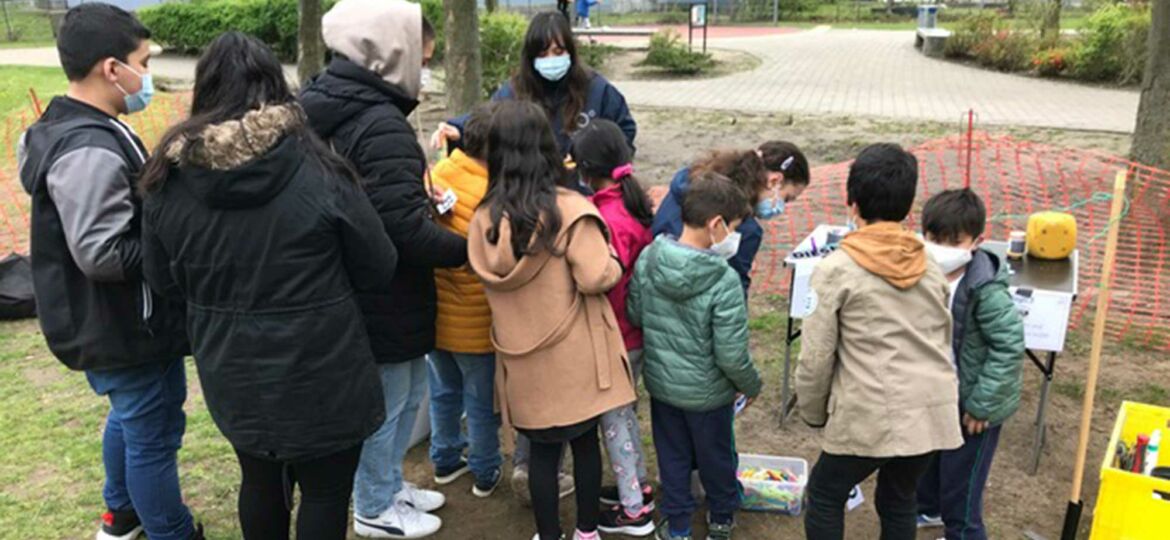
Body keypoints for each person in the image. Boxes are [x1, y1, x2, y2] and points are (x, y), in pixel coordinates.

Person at [138, 32, 395, 540]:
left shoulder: (167, 180)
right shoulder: (319, 169)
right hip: (325, 368)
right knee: (323, 490)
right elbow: (378, 263)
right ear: (277, 88)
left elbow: (163, 278)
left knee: (259, 478)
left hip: (232, 369)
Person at [17, 4, 198, 539]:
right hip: (120, 325)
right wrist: (175, 239)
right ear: (111, 68)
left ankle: (120, 515)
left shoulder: (86, 127)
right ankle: (172, 531)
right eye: (141, 61)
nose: (146, 75)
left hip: (123, 324)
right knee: (153, 434)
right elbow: (103, 253)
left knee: (133, 416)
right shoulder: (88, 148)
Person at [300, 0, 465, 537]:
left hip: (357, 282)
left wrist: (420, 199)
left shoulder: (332, 105)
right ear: (390, 52)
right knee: (388, 405)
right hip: (384, 288)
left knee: (409, 387)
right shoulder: (379, 122)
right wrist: (473, 251)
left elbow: (376, 200)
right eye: (423, 57)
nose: (424, 69)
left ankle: (389, 484)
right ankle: (373, 505)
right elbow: (402, 231)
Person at [467, 101, 637, 540]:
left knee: (541, 455)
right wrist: (615, 260)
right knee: (584, 447)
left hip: (521, 361)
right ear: (547, 147)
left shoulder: (484, 218)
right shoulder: (568, 209)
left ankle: (548, 533)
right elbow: (597, 275)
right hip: (575, 359)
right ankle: (585, 531)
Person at [795, 143, 963, 540]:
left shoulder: (836, 269)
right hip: (929, 409)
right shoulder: (931, 267)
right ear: (909, 207)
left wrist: (814, 412)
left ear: (851, 204)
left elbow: (816, 356)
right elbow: (942, 337)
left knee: (824, 493)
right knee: (899, 497)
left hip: (867, 410)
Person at [627, 173, 763, 540]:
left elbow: (636, 314)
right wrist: (752, 385)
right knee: (715, 457)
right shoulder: (724, 279)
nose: (734, 237)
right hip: (709, 396)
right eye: (733, 228)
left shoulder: (650, 256)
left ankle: (678, 524)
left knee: (672, 458)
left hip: (663, 388)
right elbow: (731, 355)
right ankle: (720, 516)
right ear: (716, 225)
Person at [915, 189, 1025, 540]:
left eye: (954, 241)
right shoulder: (922, 272)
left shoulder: (986, 290)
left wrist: (982, 405)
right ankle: (927, 509)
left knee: (961, 491)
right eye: (934, 239)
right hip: (935, 395)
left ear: (976, 241)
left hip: (973, 408)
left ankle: (962, 533)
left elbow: (1008, 348)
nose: (942, 249)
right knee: (928, 465)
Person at [569, 119, 656, 536]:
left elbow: (602, 280)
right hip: (633, 334)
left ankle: (634, 509)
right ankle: (637, 484)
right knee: (626, 415)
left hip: (614, 336)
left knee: (613, 422)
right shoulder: (631, 203)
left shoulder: (606, 218)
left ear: (585, 169)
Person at [427, 102, 504, 499]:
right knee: (480, 399)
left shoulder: (440, 173)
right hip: (476, 319)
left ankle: (443, 458)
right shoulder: (494, 192)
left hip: (437, 311)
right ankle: (485, 467)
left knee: (442, 390)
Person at [433, 11, 635, 159]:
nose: (551, 59)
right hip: (530, 195)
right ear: (530, 57)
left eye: (558, 52)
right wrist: (457, 130)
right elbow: (488, 119)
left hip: (585, 195)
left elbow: (624, 133)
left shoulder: (597, 89)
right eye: (542, 53)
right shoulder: (514, 91)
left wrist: (601, 164)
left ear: (571, 52)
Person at [651, 143, 810, 292]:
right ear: (774, 180)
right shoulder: (744, 229)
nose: (782, 207)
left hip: (651, 287)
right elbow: (734, 289)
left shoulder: (687, 180)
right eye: (787, 198)